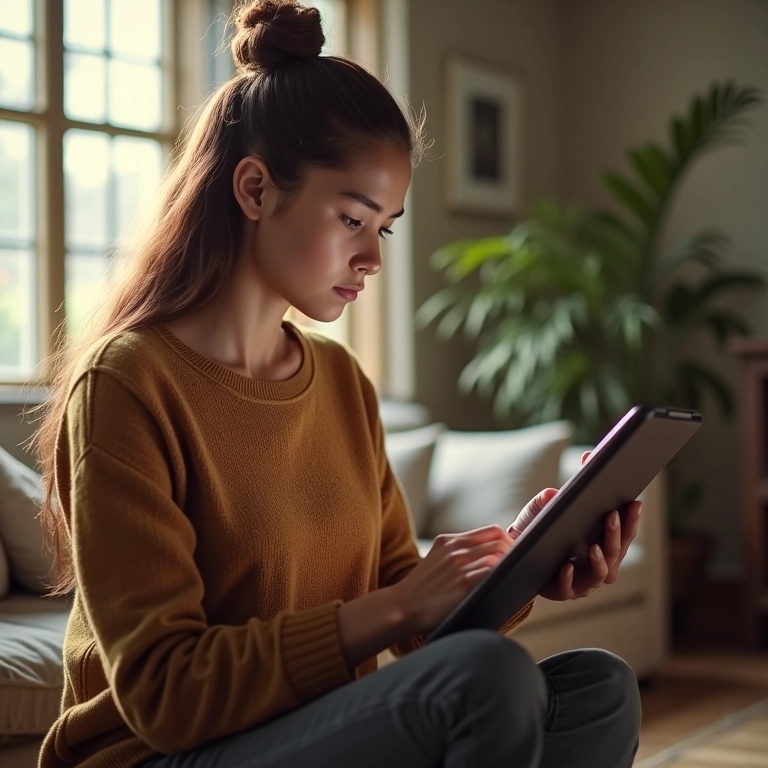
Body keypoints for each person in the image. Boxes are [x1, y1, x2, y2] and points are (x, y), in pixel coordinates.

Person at [33, 1, 642, 766]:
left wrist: (518, 564)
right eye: (354, 219)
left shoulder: (340, 381)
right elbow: (165, 694)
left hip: (313, 733)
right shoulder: (128, 383)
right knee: (487, 679)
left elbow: (414, 620)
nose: (374, 259)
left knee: (598, 689)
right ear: (255, 190)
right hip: (161, 753)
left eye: (382, 227)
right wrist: (396, 605)